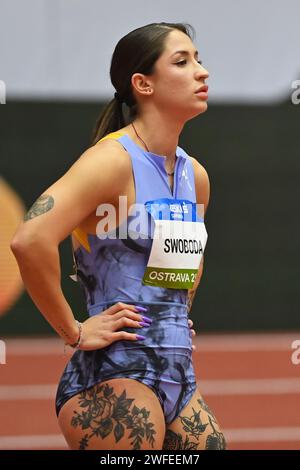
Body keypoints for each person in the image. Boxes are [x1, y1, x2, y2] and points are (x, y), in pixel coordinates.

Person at [11, 22, 226, 450]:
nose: (202, 72)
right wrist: (72, 331)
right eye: (182, 62)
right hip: (114, 373)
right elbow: (29, 239)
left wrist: (174, 320)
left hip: (178, 374)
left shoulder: (194, 177)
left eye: (199, 60)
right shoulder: (111, 161)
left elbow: (187, 266)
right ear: (142, 84)